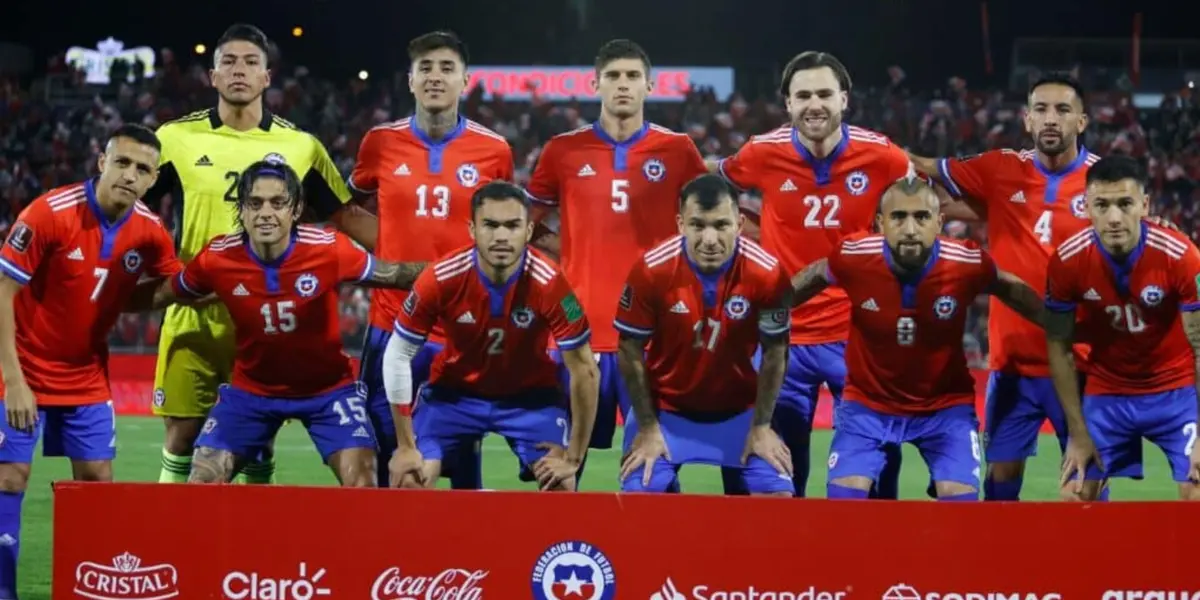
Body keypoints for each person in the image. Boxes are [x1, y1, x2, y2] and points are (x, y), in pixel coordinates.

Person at [144, 23, 377, 486]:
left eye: (250, 62)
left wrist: (436, 252)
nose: (239, 71)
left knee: (258, 439)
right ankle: (174, 541)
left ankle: (254, 547)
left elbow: (345, 216)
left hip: (267, 316)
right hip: (197, 312)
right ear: (212, 75)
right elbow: (134, 213)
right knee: (182, 435)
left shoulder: (300, 146)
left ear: (267, 77)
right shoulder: (174, 139)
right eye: (228, 62)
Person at [713, 51, 913, 497]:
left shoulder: (884, 157)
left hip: (859, 335)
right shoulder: (761, 153)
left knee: (876, 476)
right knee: (783, 471)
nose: (814, 104)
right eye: (802, 95)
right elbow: (715, 184)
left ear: (844, 99)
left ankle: (880, 563)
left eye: (824, 93)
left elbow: (920, 211)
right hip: (785, 336)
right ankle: (787, 563)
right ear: (787, 104)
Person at [155, 161, 424, 485]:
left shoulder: (328, 249)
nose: (265, 213)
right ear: (241, 209)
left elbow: (397, 275)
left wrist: (465, 269)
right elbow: (168, 292)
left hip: (329, 392)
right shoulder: (218, 258)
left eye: (277, 202)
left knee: (363, 484)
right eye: (254, 203)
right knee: (202, 480)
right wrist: (109, 296)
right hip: (251, 393)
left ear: (295, 209)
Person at [0, 125, 183, 597]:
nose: (129, 175)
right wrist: (14, 381)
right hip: (25, 369)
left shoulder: (150, 232)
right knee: (9, 476)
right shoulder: (49, 213)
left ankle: (90, 591)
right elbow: (3, 293)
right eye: (121, 162)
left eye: (142, 169)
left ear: (153, 178)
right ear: (102, 162)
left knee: (98, 482)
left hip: (86, 378)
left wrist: (213, 281)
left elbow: (169, 288)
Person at [524, 38, 710, 489]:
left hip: (653, 339)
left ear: (650, 85)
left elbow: (709, 225)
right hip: (577, 333)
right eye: (613, 76)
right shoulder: (562, 151)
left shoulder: (679, 150)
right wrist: (565, 248)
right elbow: (520, 227)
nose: (622, 85)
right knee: (556, 479)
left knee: (652, 480)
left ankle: (659, 562)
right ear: (596, 84)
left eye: (632, 76)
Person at [788, 176, 1044, 500]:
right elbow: (812, 276)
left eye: (921, 217)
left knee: (959, 501)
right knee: (844, 504)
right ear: (880, 223)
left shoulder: (966, 263)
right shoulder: (853, 255)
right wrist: (768, 311)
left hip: (944, 409)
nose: (910, 229)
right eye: (898, 217)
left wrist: (1057, 324)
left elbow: (1011, 288)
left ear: (939, 222)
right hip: (868, 406)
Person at [907, 73, 1099, 500]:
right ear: (1027, 120)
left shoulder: (1103, 183)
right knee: (999, 485)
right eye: (1042, 110)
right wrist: (881, 152)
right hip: (1011, 365)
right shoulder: (1000, 168)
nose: (1052, 119)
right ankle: (1005, 568)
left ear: (1081, 121)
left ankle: (1081, 567)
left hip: (1083, 364)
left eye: (1063, 110)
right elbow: (927, 172)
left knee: (1084, 490)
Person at [349, 30, 514, 490]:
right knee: (388, 460)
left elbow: (502, 224)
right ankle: (387, 560)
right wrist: (390, 262)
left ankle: (469, 559)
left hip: (463, 329)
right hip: (389, 323)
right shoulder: (379, 143)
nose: (435, 77)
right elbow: (354, 207)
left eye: (446, 69)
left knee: (462, 465)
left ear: (466, 81)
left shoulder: (495, 151)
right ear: (410, 80)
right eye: (425, 68)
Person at [382, 181, 599, 492]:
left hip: (530, 400)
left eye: (512, 226)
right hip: (453, 397)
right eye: (490, 225)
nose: (500, 236)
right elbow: (397, 354)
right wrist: (405, 445)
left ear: (528, 231)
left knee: (561, 482)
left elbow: (585, 369)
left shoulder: (551, 284)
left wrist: (574, 458)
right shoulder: (440, 278)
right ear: (472, 229)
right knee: (408, 480)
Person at [615, 175, 793, 494]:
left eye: (721, 225)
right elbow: (629, 348)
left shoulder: (766, 273)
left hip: (741, 411)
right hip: (666, 411)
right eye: (698, 225)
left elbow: (776, 352)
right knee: (639, 497)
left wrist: (763, 426)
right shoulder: (650, 270)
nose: (709, 239)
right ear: (680, 223)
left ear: (739, 224)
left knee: (777, 497)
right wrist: (647, 426)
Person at [1045, 155, 1200, 501]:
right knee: (1074, 493)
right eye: (1102, 205)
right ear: (1087, 207)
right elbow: (1058, 347)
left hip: (1176, 391)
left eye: (1124, 204)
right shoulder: (1067, 262)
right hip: (1108, 392)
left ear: (1144, 205)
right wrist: (1078, 432)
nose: (1114, 217)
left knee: (1198, 489)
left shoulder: (1182, 256)